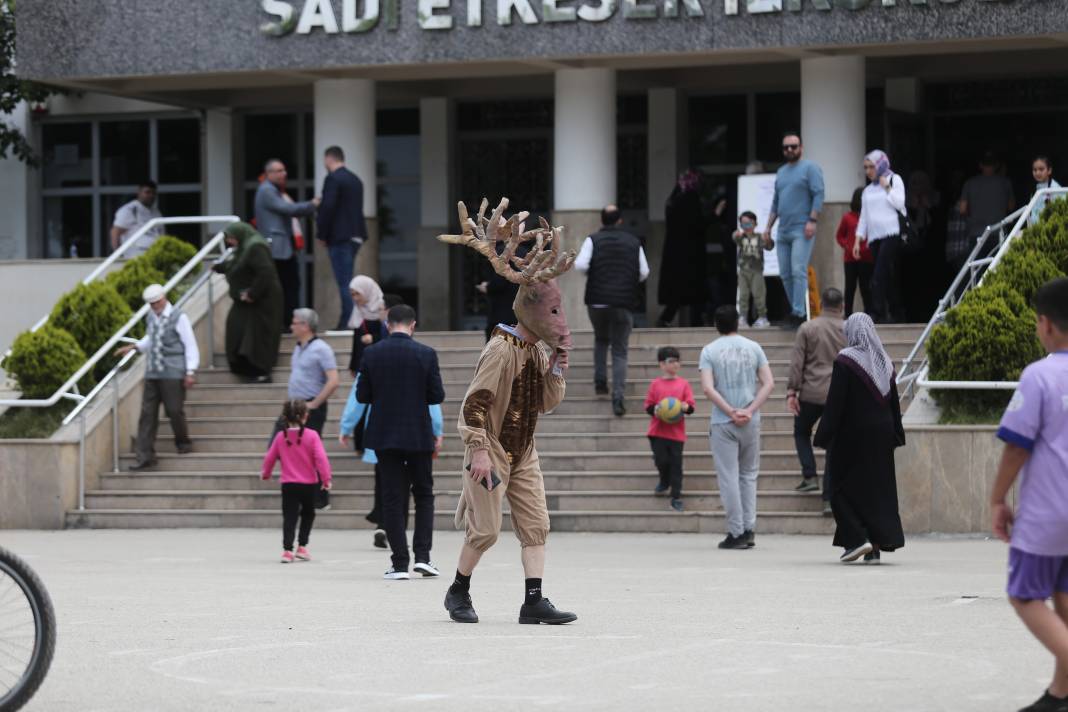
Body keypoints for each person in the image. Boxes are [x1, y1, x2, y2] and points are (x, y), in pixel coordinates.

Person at [438, 198, 577, 625]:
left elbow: (547, 404)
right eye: (552, 312)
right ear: (532, 309)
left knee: (536, 523)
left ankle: (533, 600)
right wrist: (478, 450)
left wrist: (556, 367)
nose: (560, 320)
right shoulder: (501, 350)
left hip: (524, 450)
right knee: (486, 530)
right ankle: (457, 590)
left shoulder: (535, 350)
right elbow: (475, 402)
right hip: (493, 449)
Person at [990, 277, 1068, 712]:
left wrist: (997, 499)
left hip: (1050, 514)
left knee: (1025, 595)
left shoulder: (1039, 376)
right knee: (1065, 595)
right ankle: (1061, 694)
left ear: (1045, 325)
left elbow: (1017, 444)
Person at [357, 304, 445, 580]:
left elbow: (362, 396)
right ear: (413, 325)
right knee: (424, 495)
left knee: (393, 498)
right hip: (418, 433)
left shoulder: (371, 353)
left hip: (384, 434)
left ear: (387, 324)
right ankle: (423, 557)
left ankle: (399, 563)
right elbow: (436, 396)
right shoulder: (426, 354)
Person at [813, 313, 905, 564]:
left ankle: (857, 539)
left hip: (852, 434)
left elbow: (836, 401)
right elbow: (894, 404)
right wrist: (897, 433)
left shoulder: (846, 360)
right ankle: (874, 546)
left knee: (837, 486)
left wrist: (824, 434)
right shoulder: (885, 362)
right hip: (882, 434)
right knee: (876, 490)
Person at [699, 305, 775, 550]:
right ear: (737, 323)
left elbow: (708, 388)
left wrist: (730, 411)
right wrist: (750, 409)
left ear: (716, 324)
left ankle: (736, 531)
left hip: (724, 421)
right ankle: (749, 528)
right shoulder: (754, 347)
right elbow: (769, 383)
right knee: (748, 475)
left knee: (729, 476)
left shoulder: (709, 350)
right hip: (751, 420)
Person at [340, 375, 444, 550]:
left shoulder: (373, 358)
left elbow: (357, 398)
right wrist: (437, 428)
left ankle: (384, 524)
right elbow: (431, 398)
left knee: (385, 484)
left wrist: (347, 426)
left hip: (382, 432)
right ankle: (397, 533)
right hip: (412, 432)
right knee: (409, 486)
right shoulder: (421, 357)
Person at [114, 283, 199, 471]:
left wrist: (190, 371)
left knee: (174, 410)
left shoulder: (179, 317)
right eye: (151, 304)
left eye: (157, 302)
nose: (155, 306)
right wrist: (135, 347)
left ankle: (183, 442)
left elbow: (190, 344)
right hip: (153, 373)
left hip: (173, 372)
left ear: (164, 298)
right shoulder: (151, 317)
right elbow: (151, 338)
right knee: (147, 414)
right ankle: (145, 456)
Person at [575, 204, 649, 417]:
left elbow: (580, 265)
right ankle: (618, 396)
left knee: (601, 339)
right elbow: (644, 272)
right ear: (620, 221)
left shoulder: (593, 240)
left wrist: (596, 274)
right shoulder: (634, 242)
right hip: (623, 302)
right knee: (620, 349)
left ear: (602, 220)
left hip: (597, 301)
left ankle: (600, 382)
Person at [787, 287, 847, 515]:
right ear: (842, 305)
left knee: (801, 431)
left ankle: (809, 474)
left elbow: (797, 362)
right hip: (838, 395)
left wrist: (792, 391)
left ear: (821, 304)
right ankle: (828, 500)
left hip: (811, 392)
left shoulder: (808, 328)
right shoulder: (848, 329)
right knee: (834, 447)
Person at [764, 132, 825, 327]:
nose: (790, 150)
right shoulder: (781, 172)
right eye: (786, 147)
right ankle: (795, 311)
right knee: (785, 273)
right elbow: (776, 202)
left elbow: (818, 193)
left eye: (794, 146)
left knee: (798, 269)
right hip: (782, 230)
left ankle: (799, 312)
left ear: (801, 147)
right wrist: (767, 227)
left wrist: (812, 220)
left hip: (802, 228)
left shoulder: (810, 168)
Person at [261, 399, 332, 564]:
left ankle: (287, 550)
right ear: (306, 416)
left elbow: (270, 457)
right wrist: (326, 479)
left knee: (289, 516)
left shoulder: (280, 436)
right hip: (309, 484)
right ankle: (302, 546)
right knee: (308, 514)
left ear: (285, 417)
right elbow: (321, 459)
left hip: (288, 484)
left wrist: (266, 473)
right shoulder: (312, 435)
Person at [212, 222, 283, 383]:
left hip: (263, 302)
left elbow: (265, 272)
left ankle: (262, 371)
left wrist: (252, 293)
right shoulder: (245, 247)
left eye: (231, 238)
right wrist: (220, 267)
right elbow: (237, 264)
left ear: (239, 234)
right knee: (236, 329)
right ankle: (244, 368)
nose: (229, 242)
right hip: (248, 301)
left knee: (259, 336)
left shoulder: (256, 246)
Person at [255, 159, 319, 332]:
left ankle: (287, 323)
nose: (283, 174)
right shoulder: (267, 190)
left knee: (290, 286)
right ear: (268, 174)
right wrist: (312, 205)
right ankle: (287, 324)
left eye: (284, 170)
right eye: (278, 170)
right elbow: (288, 209)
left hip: (282, 249)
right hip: (277, 251)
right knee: (286, 287)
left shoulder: (272, 190)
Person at [317, 146, 369, 330]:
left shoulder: (333, 178)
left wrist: (321, 234)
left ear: (328, 159)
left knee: (344, 282)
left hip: (340, 237)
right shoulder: (355, 179)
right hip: (356, 235)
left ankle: (348, 321)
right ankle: (350, 320)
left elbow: (328, 207)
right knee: (348, 280)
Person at [855, 150, 907, 324]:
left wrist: (887, 187)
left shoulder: (894, 179)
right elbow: (864, 217)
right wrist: (857, 239)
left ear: (881, 165)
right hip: (874, 238)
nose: (868, 171)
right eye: (866, 167)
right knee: (887, 275)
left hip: (891, 233)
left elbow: (900, 203)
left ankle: (876, 312)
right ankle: (896, 311)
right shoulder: (867, 190)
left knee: (877, 275)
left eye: (872, 167)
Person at [644, 346, 696, 512]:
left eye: (677, 361)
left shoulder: (684, 384)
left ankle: (676, 496)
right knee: (661, 460)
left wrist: (685, 407)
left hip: (676, 434)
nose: (675, 364)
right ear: (661, 364)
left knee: (676, 465)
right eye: (671, 361)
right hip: (657, 432)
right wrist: (657, 410)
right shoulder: (655, 385)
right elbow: (648, 406)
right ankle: (664, 480)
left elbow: (691, 407)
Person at [658, 170, 708, 327]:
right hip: (690, 253)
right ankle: (696, 322)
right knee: (694, 289)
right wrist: (715, 215)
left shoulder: (673, 200)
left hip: (674, 253)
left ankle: (665, 319)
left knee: (678, 292)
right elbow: (697, 225)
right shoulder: (690, 200)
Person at [282, 308, 338, 436]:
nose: (291, 327)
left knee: (307, 451)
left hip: (310, 407)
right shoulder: (298, 347)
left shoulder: (321, 348)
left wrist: (314, 404)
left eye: (294, 323)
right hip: (293, 405)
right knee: (278, 446)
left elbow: (333, 381)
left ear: (305, 326)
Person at [959, 150, 1016, 253]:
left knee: (977, 267)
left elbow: (962, 209)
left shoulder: (969, 183)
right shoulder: (1005, 183)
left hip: (976, 234)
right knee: (997, 267)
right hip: (998, 233)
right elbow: (1011, 207)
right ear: (996, 165)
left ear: (980, 165)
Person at [836, 187, 873, 317]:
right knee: (850, 287)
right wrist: (846, 245)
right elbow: (839, 236)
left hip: (867, 257)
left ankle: (870, 313)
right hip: (850, 259)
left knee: (866, 287)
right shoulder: (847, 217)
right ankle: (848, 314)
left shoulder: (870, 216)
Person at [732, 210, 773, 328]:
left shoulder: (760, 237)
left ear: (755, 224)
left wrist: (768, 239)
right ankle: (742, 317)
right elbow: (734, 237)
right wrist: (736, 234)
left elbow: (769, 247)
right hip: (743, 271)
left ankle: (763, 317)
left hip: (757, 271)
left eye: (749, 223)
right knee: (743, 295)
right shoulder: (741, 237)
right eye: (743, 224)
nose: (746, 226)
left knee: (759, 294)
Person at [347, 275, 387, 378]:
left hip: (380, 361)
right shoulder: (357, 310)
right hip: (363, 362)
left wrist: (374, 338)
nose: (355, 298)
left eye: (358, 294)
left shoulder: (383, 309)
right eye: (352, 295)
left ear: (367, 290)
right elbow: (356, 340)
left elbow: (389, 335)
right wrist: (353, 366)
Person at [110, 180, 162, 257]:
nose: (151, 195)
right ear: (139, 193)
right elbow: (115, 232)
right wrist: (117, 256)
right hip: (136, 257)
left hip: (155, 255)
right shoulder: (129, 209)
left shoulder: (156, 212)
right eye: (147, 192)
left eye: (153, 193)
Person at [1029, 155, 1063, 226]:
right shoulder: (1035, 188)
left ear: (1049, 170)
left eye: (1041, 169)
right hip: (1035, 229)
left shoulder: (1056, 188)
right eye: (1035, 170)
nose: (1037, 173)